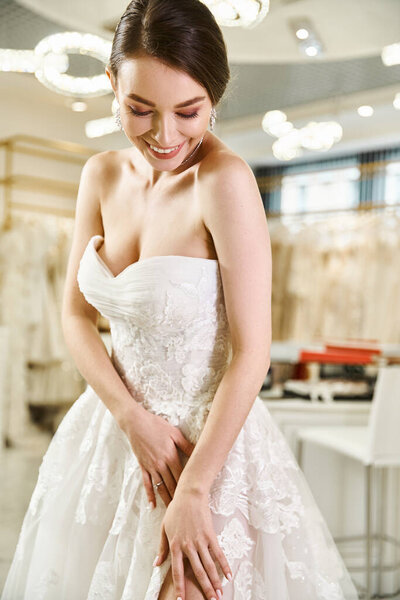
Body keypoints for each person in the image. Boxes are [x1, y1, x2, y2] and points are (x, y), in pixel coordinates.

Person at [1, 1, 359, 599]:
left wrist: (195, 488)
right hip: (114, 432)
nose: (164, 136)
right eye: (140, 110)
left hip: (205, 447)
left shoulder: (224, 181)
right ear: (112, 85)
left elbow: (252, 352)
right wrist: (129, 416)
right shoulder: (100, 174)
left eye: (188, 112)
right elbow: (74, 316)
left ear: (214, 97)